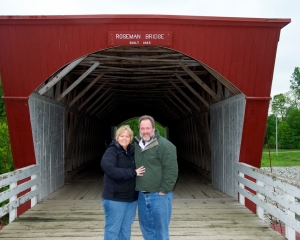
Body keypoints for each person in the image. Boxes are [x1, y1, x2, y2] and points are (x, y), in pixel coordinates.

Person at [134, 115, 178, 240]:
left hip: (159, 196)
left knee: (161, 231)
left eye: (148, 128)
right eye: (142, 128)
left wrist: (164, 190)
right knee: (146, 228)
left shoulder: (165, 145)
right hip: (142, 195)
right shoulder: (137, 144)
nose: (145, 131)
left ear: (154, 128)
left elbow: (172, 170)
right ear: (139, 129)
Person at [101, 125, 145, 240]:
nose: (124, 138)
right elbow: (109, 169)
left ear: (131, 138)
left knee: (125, 228)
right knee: (113, 229)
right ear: (117, 137)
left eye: (127, 136)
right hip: (115, 198)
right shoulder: (111, 151)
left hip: (131, 198)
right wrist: (133, 172)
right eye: (121, 136)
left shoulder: (134, 151)